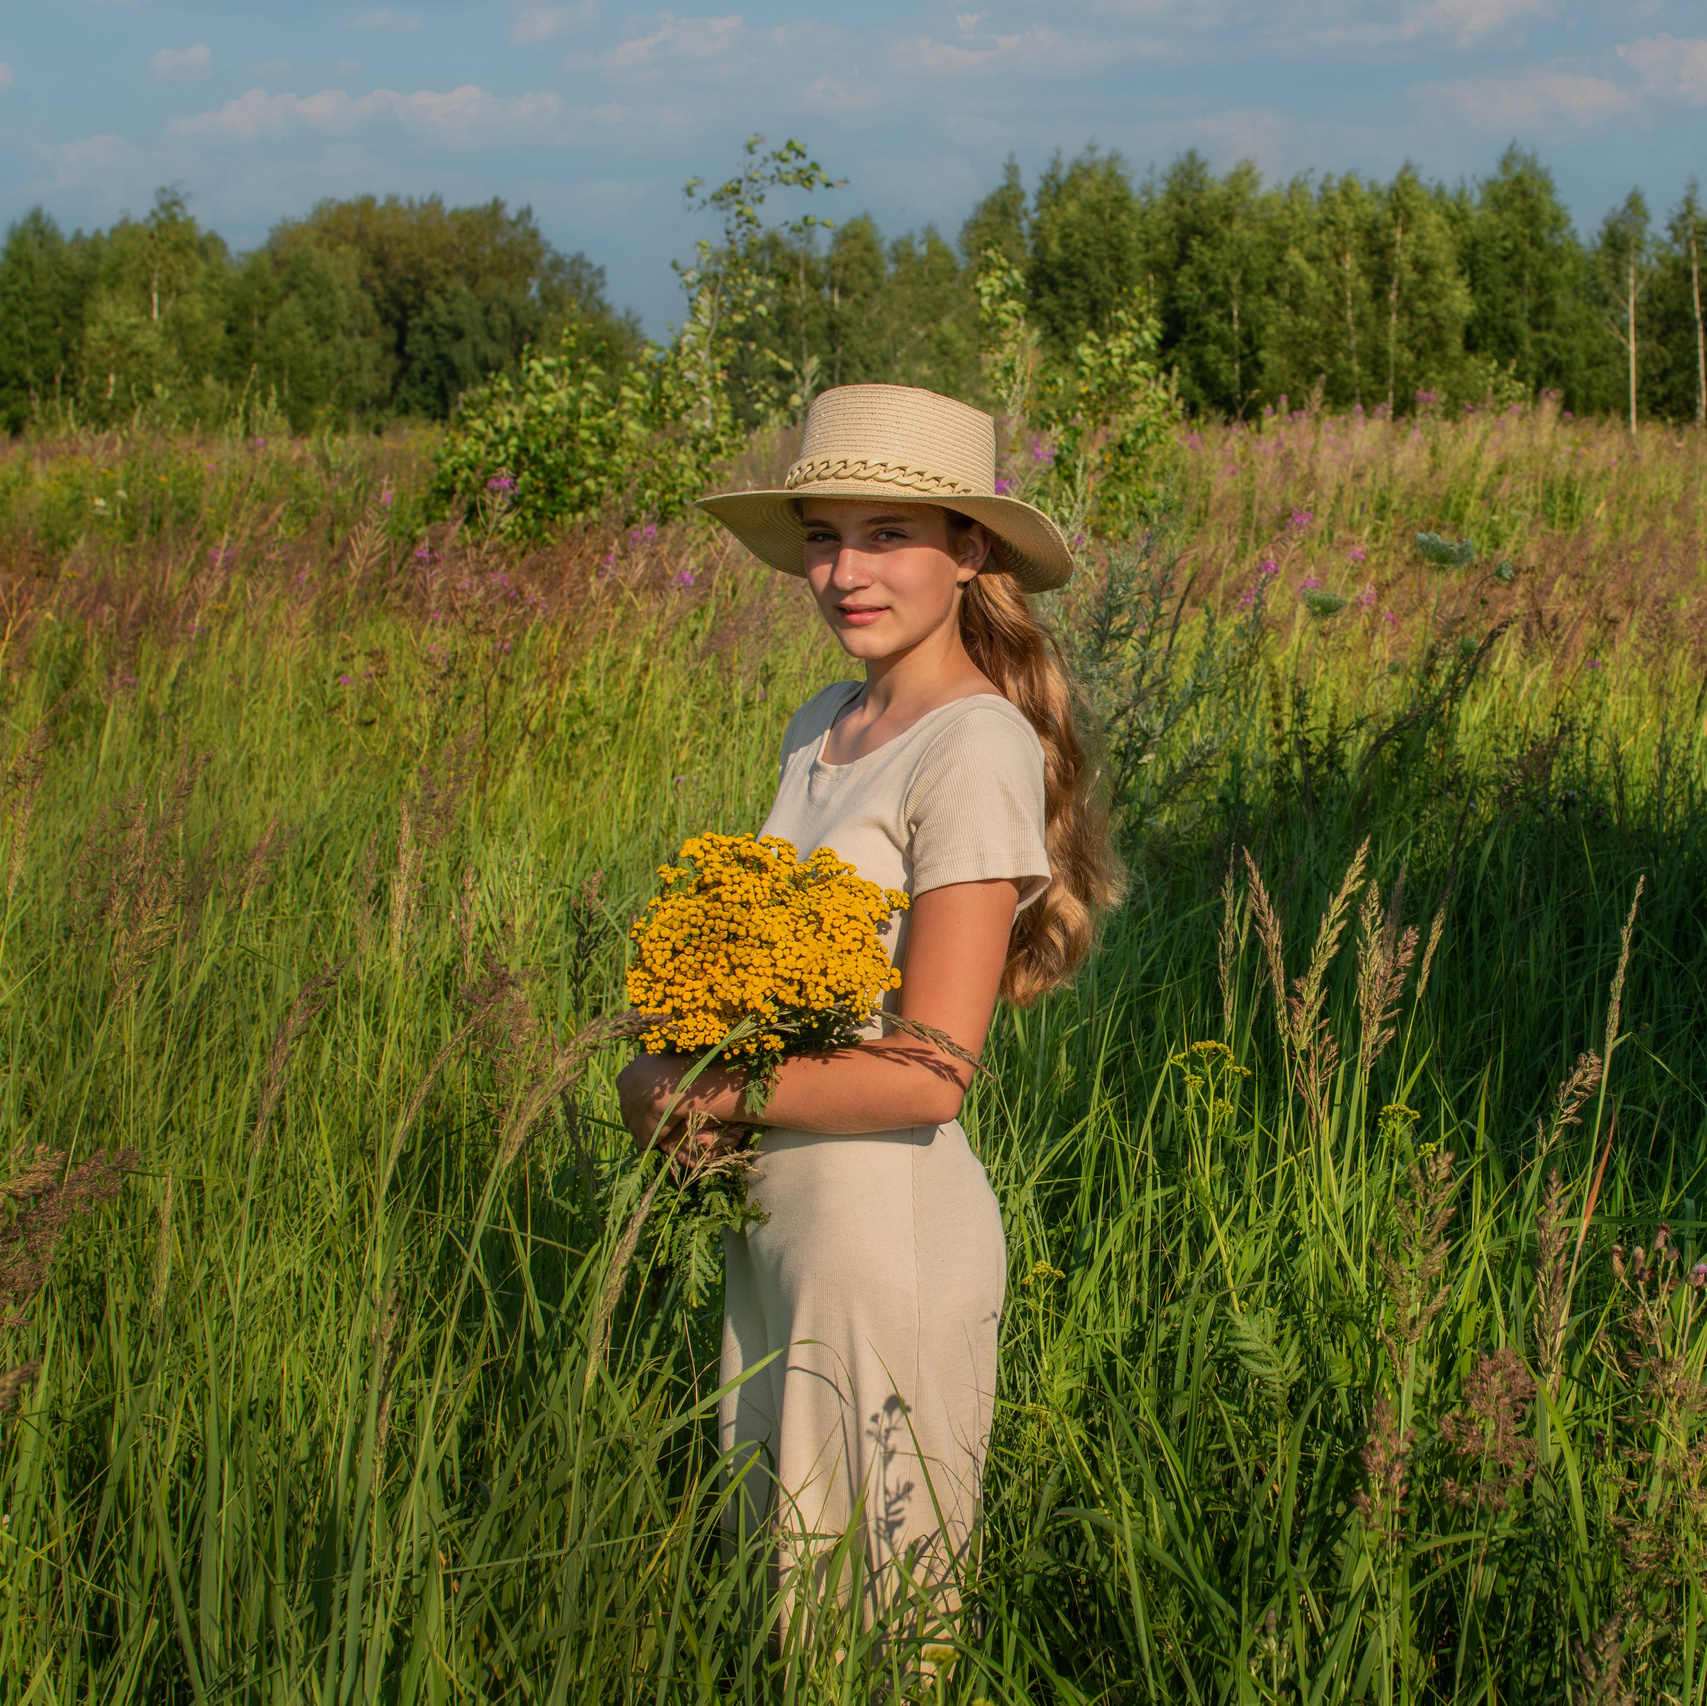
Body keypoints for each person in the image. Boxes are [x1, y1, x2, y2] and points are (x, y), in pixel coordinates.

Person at [617, 382, 1120, 1639]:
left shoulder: (974, 744)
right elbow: (785, 980)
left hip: (879, 1224)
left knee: (875, 1631)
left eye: (889, 533)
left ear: (969, 551)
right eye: (826, 535)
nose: (846, 570)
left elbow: (931, 1069)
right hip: (777, 1213)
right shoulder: (825, 725)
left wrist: (707, 1094)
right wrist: (669, 1066)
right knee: (782, 1608)